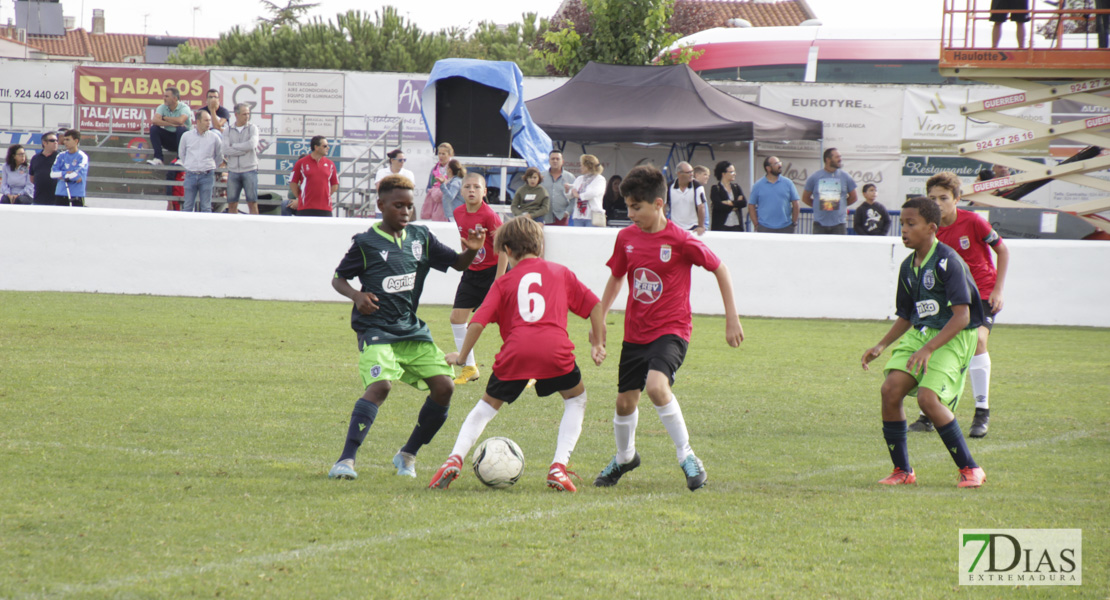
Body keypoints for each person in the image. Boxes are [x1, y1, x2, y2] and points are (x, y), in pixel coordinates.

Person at [327, 175, 490, 481]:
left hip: (410, 329)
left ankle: (407, 454)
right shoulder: (366, 243)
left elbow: (457, 263)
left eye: (409, 206)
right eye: (398, 205)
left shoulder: (421, 237)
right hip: (375, 330)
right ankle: (345, 461)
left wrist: (473, 250)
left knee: (445, 386)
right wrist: (356, 295)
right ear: (381, 205)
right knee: (381, 386)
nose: (405, 211)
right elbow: (339, 278)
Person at [428, 216, 607, 492]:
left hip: (516, 353)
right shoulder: (561, 272)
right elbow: (595, 306)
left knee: (485, 408)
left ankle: (454, 458)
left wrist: (463, 358)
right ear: (540, 245)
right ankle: (558, 467)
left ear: (507, 251)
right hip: (555, 352)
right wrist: (597, 343)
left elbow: (476, 322)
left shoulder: (503, 283)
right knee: (576, 399)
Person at [594, 165, 744, 491]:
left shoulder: (680, 240)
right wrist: (601, 317)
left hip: (672, 330)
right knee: (623, 403)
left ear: (658, 204)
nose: (631, 213)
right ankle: (624, 457)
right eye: (629, 207)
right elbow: (618, 277)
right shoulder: (626, 238)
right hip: (635, 332)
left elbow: (721, 269)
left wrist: (731, 318)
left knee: (656, 387)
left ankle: (687, 455)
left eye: (637, 207)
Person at [861, 197, 986, 489]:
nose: (903, 230)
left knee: (928, 399)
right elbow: (907, 315)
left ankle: (971, 468)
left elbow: (962, 317)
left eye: (910, 224)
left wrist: (929, 349)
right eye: (901, 223)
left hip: (954, 335)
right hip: (923, 332)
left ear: (931, 228)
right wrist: (881, 346)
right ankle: (903, 471)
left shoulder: (948, 262)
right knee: (890, 390)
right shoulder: (908, 267)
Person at [908, 172, 1010, 439]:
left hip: (981, 294)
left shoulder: (973, 221)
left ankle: (981, 411)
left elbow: (1002, 250)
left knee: (977, 341)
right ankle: (929, 412)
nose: (938, 203)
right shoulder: (929, 227)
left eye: (943, 198)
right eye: (932, 198)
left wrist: (998, 290)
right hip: (949, 299)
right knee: (934, 341)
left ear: (957, 199)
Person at [450, 173, 509, 385]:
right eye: (467, 186)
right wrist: (465, 262)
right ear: (461, 190)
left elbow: (504, 247)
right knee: (457, 318)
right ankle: (470, 368)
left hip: (494, 273)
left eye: (477, 187)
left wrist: (499, 280)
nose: (472, 190)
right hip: (472, 273)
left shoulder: (490, 216)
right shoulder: (457, 212)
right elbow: (464, 240)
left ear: (485, 192)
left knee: (509, 323)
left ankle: (528, 369)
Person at [802, 148, 858, 235]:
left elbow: (854, 197)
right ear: (828, 160)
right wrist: (818, 206)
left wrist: (841, 205)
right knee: (819, 248)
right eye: (837, 157)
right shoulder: (815, 177)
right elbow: (805, 198)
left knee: (839, 248)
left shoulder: (846, 176)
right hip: (819, 224)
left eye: (840, 157)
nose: (840, 159)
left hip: (839, 224)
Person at [178, 110, 224, 213]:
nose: (209, 123)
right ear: (198, 121)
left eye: (209, 120)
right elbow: (182, 153)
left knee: (206, 207)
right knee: (188, 207)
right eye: (206, 120)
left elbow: (219, 155)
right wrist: (190, 165)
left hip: (207, 174)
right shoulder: (186, 136)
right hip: (190, 174)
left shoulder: (214, 137)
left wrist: (211, 166)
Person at [222, 103, 260, 215]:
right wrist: (244, 149)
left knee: (252, 202)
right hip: (233, 171)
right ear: (236, 115)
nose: (247, 116)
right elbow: (225, 150)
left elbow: (252, 145)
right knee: (232, 204)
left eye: (248, 113)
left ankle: (255, 229)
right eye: (244, 114)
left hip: (249, 169)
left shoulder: (253, 128)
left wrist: (234, 146)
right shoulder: (228, 130)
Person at [289, 136, 338, 217]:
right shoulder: (301, 163)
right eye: (325, 146)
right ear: (316, 147)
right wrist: (301, 197)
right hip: (305, 208)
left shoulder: (331, 164)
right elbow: (293, 182)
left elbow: (335, 185)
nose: (328, 148)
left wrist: (324, 196)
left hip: (325, 208)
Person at [749, 156, 800, 233]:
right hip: (765, 228)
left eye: (779, 163)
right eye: (776, 163)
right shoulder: (758, 185)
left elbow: (796, 203)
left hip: (786, 227)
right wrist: (756, 224)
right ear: (768, 168)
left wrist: (794, 222)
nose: (780, 165)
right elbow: (751, 205)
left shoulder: (788, 183)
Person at [147, 87, 192, 166]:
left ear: (175, 98)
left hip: (184, 141)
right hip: (170, 140)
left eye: (167, 96)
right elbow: (154, 121)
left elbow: (180, 121)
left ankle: (180, 158)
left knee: (180, 129)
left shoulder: (185, 108)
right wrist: (171, 124)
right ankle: (158, 158)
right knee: (154, 129)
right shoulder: (162, 107)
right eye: (164, 96)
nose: (164, 98)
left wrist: (165, 118)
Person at [49, 129, 89, 207]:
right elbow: (52, 174)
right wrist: (66, 173)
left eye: (68, 140)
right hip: (60, 193)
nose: (65, 142)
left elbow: (77, 176)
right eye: (64, 140)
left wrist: (61, 175)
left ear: (76, 141)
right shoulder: (61, 156)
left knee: (76, 218)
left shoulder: (82, 157)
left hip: (76, 195)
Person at [666, 161, 706, 235]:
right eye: (688, 172)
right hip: (675, 228)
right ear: (679, 174)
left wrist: (701, 226)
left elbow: (701, 207)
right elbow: (663, 206)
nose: (691, 174)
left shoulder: (697, 186)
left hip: (693, 228)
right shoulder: (669, 187)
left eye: (692, 172)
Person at [569, 154, 606, 227]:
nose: (580, 167)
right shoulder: (579, 178)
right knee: (578, 238)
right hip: (578, 216)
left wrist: (579, 196)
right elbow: (572, 192)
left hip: (592, 216)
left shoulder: (599, 179)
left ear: (588, 166)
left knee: (591, 237)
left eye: (582, 165)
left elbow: (594, 193)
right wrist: (568, 190)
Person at [709, 161, 746, 232]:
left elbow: (743, 203)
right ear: (723, 174)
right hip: (721, 226)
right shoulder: (716, 188)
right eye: (731, 172)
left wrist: (728, 202)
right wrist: (735, 204)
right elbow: (718, 205)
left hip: (736, 225)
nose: (734, 174)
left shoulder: (736, 187)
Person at [542, 150, 576, 226]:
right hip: (544, 216)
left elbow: (574, 198)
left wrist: (567, 212)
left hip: (562, 217)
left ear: (562, 161)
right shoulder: (541, 176)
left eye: (557, 159)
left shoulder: (570, 177)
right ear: (549, 161)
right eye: (553, 159)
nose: (555, 161)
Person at [422, 142, 453, 221]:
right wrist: (434, 192)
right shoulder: (434, 169)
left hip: (449, 205)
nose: (441, 156)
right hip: (435, 205)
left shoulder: (454, 168)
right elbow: (428, 187)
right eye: (439, 153)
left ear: (450, 155)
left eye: (443, 154)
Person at [29, 132, 59, 206]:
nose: (55, 142)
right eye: (52, 140)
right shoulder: (35, 158)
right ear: (44, 143)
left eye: (56, 140)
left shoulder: (60, 157)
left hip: (55, 200)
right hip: (38, 199)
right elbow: (32, 178)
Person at [693, 165, 713, 230]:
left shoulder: (700, 188)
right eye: (705, 174)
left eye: (708, 175)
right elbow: (701, 207)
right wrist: (703, 225)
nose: (707, 177)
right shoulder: (694, 188)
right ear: (697, 175)